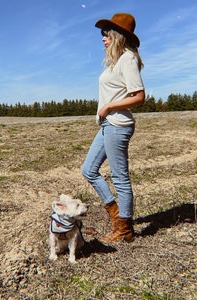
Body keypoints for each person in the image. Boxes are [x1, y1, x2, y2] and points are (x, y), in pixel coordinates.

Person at [82, 13, 145, 243]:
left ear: (117, 36)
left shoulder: (128, 58)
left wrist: (109, 106)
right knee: (88, 169)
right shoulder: (116, 62)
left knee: (120, 178)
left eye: (105, 34)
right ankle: (116, 214)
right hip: (108, 124)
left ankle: (125, 228)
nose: (102, 39)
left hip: (118, 124)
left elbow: (139, 96)